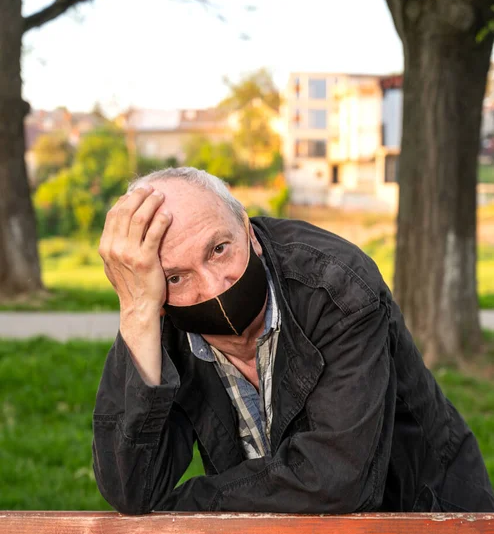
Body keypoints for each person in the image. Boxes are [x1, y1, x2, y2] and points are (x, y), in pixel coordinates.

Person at [93, 167, 494, 514]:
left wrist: (191, 506)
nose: (214, 287)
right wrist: (137, 314)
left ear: (248, 233)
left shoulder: (337, 288)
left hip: (430, 520)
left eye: (218, 250)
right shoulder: (158, 315)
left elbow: (335, 479)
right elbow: (133, 489)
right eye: (177, 277)